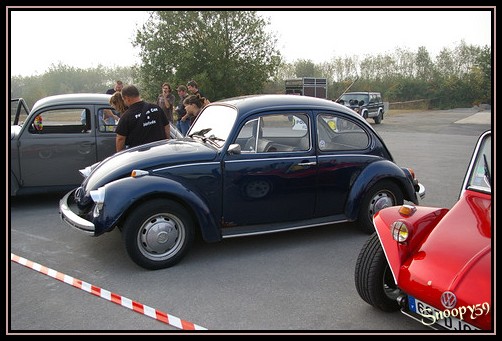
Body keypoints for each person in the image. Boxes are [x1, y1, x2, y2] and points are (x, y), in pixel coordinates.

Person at [115, 85, 170, 152]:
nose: (124, 102)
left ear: (127, 98)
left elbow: (120, 138)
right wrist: (166, 142)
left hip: (141, 156)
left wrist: (120, 154)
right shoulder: (156, 108)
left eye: (124, 100)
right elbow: (166, 126)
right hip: (159, 151)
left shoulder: (127, 116)